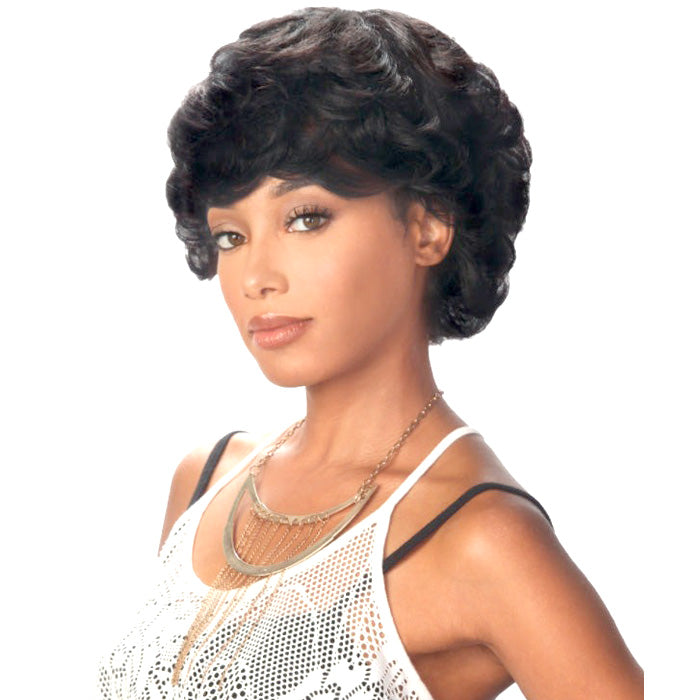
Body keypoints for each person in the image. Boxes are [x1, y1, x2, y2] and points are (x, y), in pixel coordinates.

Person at [97, 7, 643, 699]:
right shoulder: (206, 482)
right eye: (231, 235)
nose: (256, 276)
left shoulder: (482, 538)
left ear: (428, 227)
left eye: (306, 219)